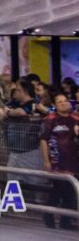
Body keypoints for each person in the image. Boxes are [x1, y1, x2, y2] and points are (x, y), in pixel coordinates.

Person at [40, 92, 79, 229]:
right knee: (61, 190)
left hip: (73, 162)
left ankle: (63, 220)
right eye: (59, 101)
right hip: (57, 162)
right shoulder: (51, 119)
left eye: (65, 100)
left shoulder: (75, 118)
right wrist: (46, 161)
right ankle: (52, 218)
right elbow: (43, 140)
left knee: (66, 192)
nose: (63, 103)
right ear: (55, 105)